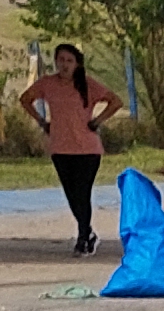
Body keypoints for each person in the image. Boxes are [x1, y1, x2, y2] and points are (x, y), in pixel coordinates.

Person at [29, 39, 107, 253]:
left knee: (83, 192)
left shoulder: (87, 85)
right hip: (61, 147)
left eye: (69, 61)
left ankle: (83, 238)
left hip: (87, 149)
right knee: (71, 194)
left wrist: (97, 121)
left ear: (77, 64)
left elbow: (114, 100)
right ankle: (87, 230)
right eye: (60, 60)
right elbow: (25, 99)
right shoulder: (48, 84)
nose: (64, 65)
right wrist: (42, 121)